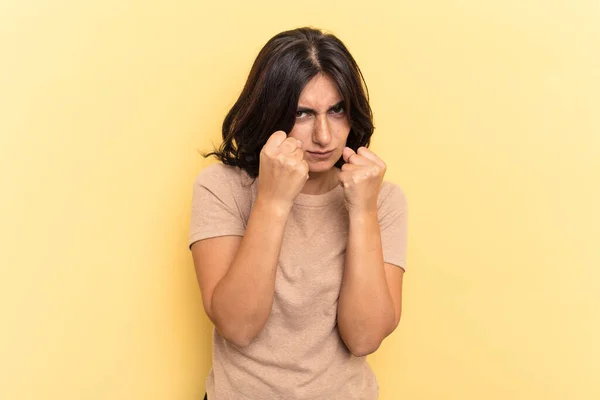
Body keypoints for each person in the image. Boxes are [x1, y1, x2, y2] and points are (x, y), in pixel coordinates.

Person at [189, 27, 408, 400]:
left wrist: (363, 212)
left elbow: (364, 338)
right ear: (271, 113)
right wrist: (273, 202)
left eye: (337, 110)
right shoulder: (221, 187)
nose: (324, 136)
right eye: (303, 114)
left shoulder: (381, 198)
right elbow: (238, 325)